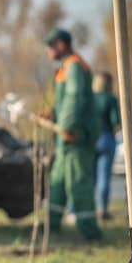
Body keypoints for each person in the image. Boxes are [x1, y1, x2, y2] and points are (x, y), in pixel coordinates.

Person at [42, 28, 102, 240]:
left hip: (77, 136)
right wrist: (53, 114)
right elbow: (65, 101)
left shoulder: (75, 65)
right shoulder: (65, 68)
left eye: (50, 46)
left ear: (61, 45)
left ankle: (90, 231)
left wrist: (67, 126)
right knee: (57, 181)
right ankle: (51, 226)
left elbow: (75, 98)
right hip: (65, 138)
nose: (47, 51)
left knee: (78, 182)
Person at [93, 72, 120, 220]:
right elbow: (116, 120)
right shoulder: (111, 99)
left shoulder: (90, 98)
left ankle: (85, 210)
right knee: (104, 177)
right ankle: (103, 210)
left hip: (91, 141)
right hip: (107, 139)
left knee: (90, 178)